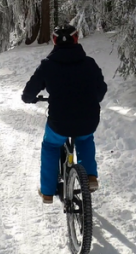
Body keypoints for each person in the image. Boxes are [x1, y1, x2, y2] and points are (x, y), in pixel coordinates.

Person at [22, 24, 107, 204]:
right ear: (76, 39)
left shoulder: (47, 65)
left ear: (54, 41)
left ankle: (47, 192)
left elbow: (28, 93)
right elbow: (101, 90)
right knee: (84, 139)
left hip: (59, 122)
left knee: (51, 146)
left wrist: (31, 99)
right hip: (88, 119)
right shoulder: (89, 63)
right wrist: (92, 99)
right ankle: (90, 176)